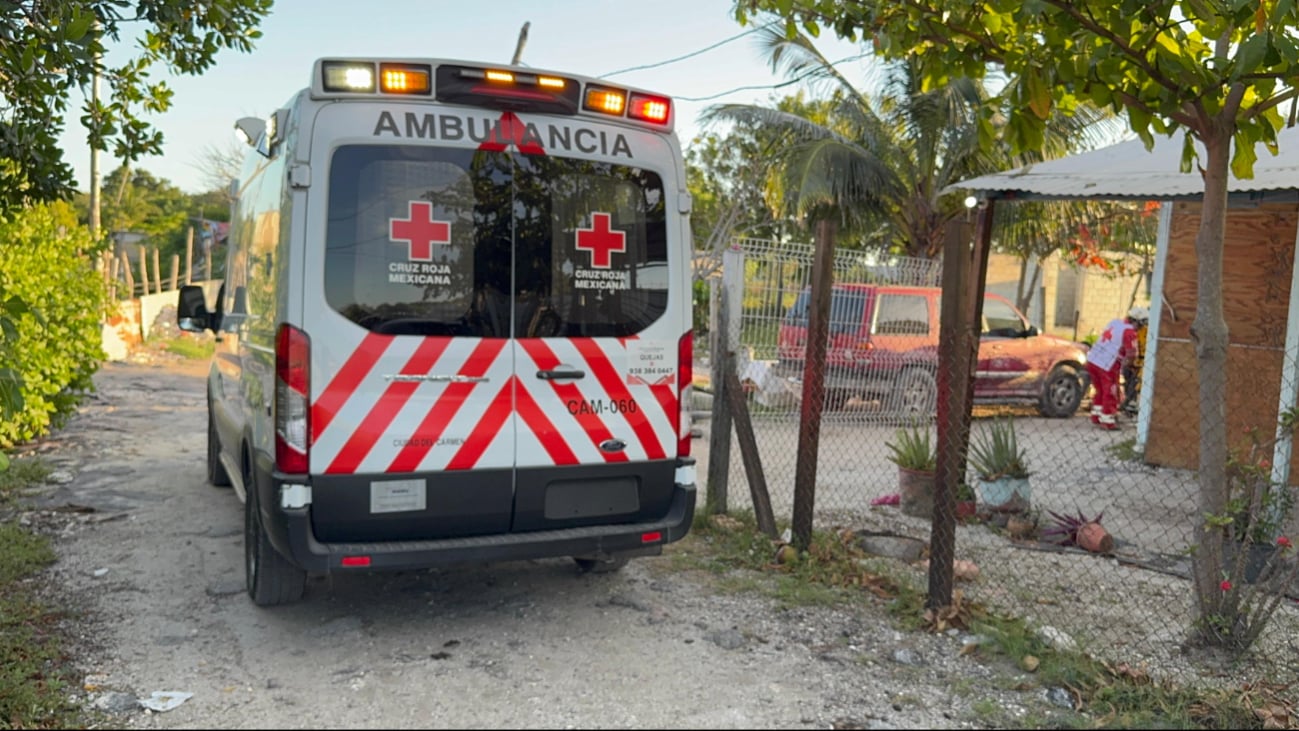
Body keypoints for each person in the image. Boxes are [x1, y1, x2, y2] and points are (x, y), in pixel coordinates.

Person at [1086, 307, 1140, 430]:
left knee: (1100, 389)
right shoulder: (1129, 332)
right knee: (1111, 391)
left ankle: (1097, 415)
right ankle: (1108, 420)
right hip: (1107, 364)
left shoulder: (1115, 323)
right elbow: (1131, 353)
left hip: (1093, 359)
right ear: (1136, 321)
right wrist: (1129, 365)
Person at [1121, 306, 1149, 415]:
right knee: (1128, 379)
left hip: (1141, 361)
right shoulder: (1128, 330)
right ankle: (1128, 403)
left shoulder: (1145, 331)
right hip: (1129, 360)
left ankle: (1130, 402)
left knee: (1135, 383)